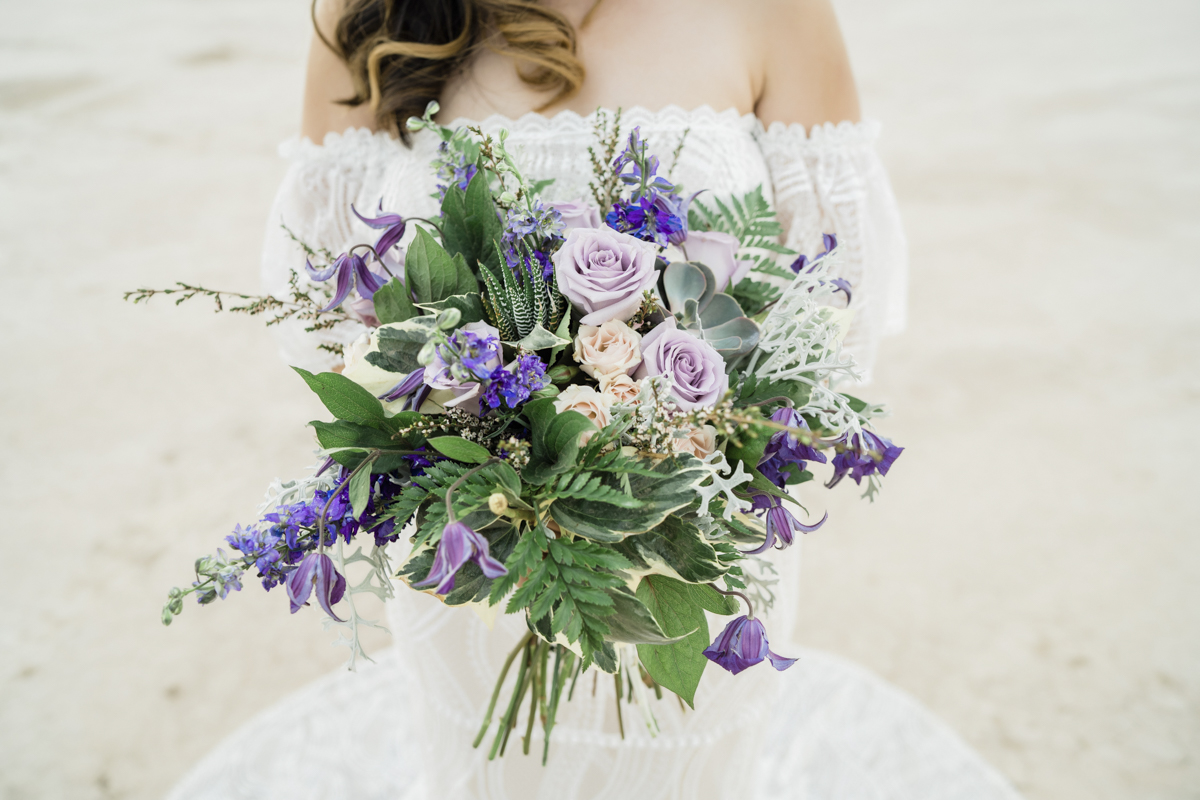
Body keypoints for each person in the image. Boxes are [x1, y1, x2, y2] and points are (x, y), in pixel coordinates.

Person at [168, 2, 1020, 797]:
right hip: (464, 547)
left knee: (685, 768)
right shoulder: (377, 14)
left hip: (699, 544)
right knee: (486, 767)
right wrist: (488, 465)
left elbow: (835, 298)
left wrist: (680, 441)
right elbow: (325, 303)